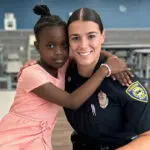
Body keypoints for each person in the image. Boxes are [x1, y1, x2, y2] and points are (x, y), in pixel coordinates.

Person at [0, 5, 129, 150]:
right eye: (50, 46)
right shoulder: (33, 74)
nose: (59, 52)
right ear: (37, 46)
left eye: (64, 45)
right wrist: (106, 69)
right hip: (14, 137)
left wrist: (112, 58)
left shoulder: (62, 64)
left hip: (40, 137)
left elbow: (87, 50)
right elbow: (72, 101)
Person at [64, 7, 150, 150]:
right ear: (68, 40)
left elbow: (148, 138)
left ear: (102, 36)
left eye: (91, 36)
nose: (83, 45)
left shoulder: (124, 81)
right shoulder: (67, 72)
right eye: (75, 38)